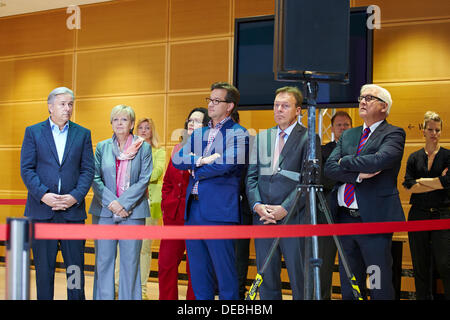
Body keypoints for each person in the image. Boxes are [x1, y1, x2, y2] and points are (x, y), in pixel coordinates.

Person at [324, 84, 406, 300]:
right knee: (349, 281)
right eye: (361, 97)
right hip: (344, 220)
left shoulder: (394, 133)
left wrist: (346, 161)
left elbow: (380, 160)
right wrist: (358, 175)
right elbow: (330, 167)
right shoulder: (349, 135)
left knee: (378, 281)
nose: (362, 101)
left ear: (384, 107)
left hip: (374, 221)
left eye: (369, 98)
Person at [172, 82, 249, 300]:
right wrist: (203, 160)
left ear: (230, 106)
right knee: (198, 275)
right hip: (193, 209)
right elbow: (178, 159)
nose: (211, 105)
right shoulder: (200, 133)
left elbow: (225, 165)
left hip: (219, 213)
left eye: (217, 101)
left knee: (225, 275)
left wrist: (195, 168)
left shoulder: (239, 133)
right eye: (210, 100)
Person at [20, 86, 94, 300]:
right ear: (50, 106)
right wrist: (44, 195)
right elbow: (27, 168)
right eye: (62, 104)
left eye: (70, 104)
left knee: (75, 271)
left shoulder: (83, 134)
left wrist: (74, 197)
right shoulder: (33, 132)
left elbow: (88, 170)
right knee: (44, 272)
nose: (68, 108)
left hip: (73, 212)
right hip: (42, 211)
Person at [246, 86, 320, 300]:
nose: (279, 109)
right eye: (276, 105)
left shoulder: (309, 137)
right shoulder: (262, 137)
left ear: (298, 110)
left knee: (299, 278)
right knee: (266, 277)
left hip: (293, 217)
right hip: (262, 217)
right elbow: (251, 177)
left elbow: (309, 182)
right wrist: (258, 205)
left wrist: (285, 209)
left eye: (285, 106)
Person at [89, 104, 152, 300]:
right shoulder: (102, 146)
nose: (119, 123)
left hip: (132, 214)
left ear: (132, 123)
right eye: (115, 119)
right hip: (104, 212)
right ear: (111, 123)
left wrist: (123, 204)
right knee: (104, 262)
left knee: (130, 263)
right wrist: (112, 203)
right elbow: (95, 177)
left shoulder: (144, 147)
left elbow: (144, 179)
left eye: (124, 119)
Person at [158, 107, 209, 300]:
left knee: (194, 268)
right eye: (190, 120)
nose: (191, 123)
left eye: (197, 121)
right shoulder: (178, 149)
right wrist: (166, 203)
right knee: (166, 264)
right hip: (173, 216)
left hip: (196, 216)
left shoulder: (209, 151)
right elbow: (167, 182)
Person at [402, 111, 450, 300]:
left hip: (442, 214)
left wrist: (421, 181)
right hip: (418, 214)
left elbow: (447, 183)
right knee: (420, 264)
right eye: (430, 129)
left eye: (437, 130)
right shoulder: (414, 157)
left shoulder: (447, 156)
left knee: (445, 264)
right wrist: (436, 181)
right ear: (423, 130)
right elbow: (408, 186)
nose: (434, 133)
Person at [318, 111, 352, 300]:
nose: (342, 128)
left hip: (351, 215)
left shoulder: (359, 149)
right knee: (324, 264)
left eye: (346, 125)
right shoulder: (323, 151)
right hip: (327, 213)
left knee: (351, 263)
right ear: (332, 128)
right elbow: (324, 179)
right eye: (339, 125)